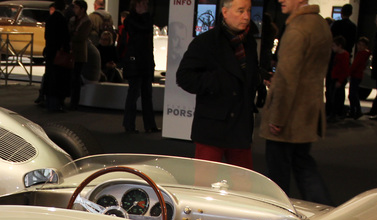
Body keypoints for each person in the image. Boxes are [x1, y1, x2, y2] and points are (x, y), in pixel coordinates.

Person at [259, 0, 331, 204]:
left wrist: (277, 117)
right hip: (307, 112)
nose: (280, 0)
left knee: (279, 175)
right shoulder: (319, 24)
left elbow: (287, 78)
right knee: (303, 164)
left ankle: (281, 217)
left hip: (289, 116)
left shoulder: (297, 29)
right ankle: (326, 210)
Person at [175, 0, 258, 169]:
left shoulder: (249, 43)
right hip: (212, 127)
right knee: (206, 187)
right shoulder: (206, 42)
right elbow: (184, 77)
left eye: (248, 11)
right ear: (225, 12)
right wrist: (216, 82)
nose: (246, 16)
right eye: (240, 11)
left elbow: (246, 77)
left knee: (244, 187)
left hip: (240, 126)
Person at [121, 0, 156, 133]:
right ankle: (129, 124)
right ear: (137, 5)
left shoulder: (143, 19)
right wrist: (145, 15)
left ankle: (150, 124)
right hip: (135, 61)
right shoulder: (130, 20)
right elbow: (145, 29)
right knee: (134, 94)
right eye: (144, 4)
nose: (146, 7)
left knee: (147, 93)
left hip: (145, 61)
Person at [42, 0, 70, 112]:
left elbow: (46, 36)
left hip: (50, 51)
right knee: (58, 79)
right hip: (59, 53)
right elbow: (65, 38)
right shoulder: (62, 20)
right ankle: (57, 104)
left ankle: (49, 102)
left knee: (50, 76)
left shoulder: (50, 19)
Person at [67, 0, 91, 109]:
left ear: (82, 9)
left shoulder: (87, 21)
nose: (74, 10)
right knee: (71, 76)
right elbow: (70, 33)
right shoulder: (73, 20)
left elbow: (81, 37)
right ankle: (71, 99)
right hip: (71, 51)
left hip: (79, 53)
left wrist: (73, 34)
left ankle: (74, 102)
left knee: (76, 77)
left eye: (76, 7)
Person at [327, 35, 349, 122]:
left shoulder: (344, 56)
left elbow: (344, 70)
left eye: (334, 46)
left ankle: (337, 113)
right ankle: (335, 113)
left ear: (339, 46)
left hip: (339, 79)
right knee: (333, 96)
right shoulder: (337, 55)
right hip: (335, 78)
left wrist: (340, 80)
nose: (332, 48)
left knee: (337, 97)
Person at [347, 36, 369, 119]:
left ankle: (356, 110)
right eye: (359, 44)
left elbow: (355, 66)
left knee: (352, 94)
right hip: (357, 75)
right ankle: (354, 111)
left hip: (356, 75)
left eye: (362, 45)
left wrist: (348, 72)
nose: (360, 47)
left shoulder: (361, 54)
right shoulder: (363, 54)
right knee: (353, 94)